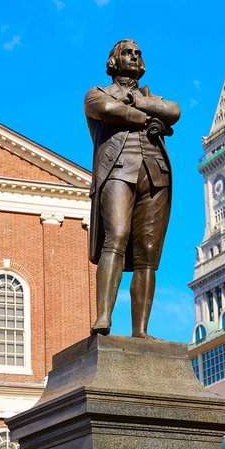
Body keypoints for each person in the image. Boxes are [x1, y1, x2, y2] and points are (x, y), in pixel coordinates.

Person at [84, 39, 180, 338]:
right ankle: (103, 317)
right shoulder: (97, 93)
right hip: (117, 171)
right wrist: (148, 119)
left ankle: (141, 331)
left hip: (155, 175)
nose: (135, 56)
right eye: (128, 53)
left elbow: (173, 111)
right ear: (114, 61)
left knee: (148, 253)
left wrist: (138, 102)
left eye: (138, 53)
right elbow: (109, 109)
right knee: (117, 237)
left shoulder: (154, 98)